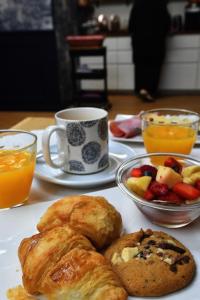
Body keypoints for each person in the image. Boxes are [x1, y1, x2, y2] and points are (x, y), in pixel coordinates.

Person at [128, 0, 171, 102]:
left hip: (139, 41)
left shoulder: (137, 3)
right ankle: (150, 91)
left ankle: (142, 89)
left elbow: (131, 25)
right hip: (156, 41)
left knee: (140, 65)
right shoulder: (160, 3)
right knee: (154, 66)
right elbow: (167, 24)